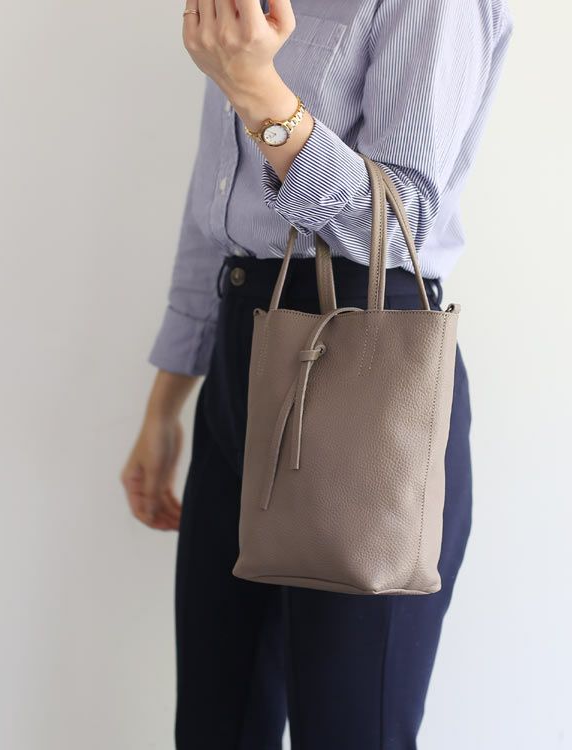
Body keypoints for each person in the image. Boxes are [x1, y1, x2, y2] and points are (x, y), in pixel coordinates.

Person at [120, 0, 513, 747]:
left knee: (350, 730)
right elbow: (218, 213)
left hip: (366, 370)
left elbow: (402, 219)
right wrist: (166, 402)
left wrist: (256, 88)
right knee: (213, 725)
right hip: (241, 351)